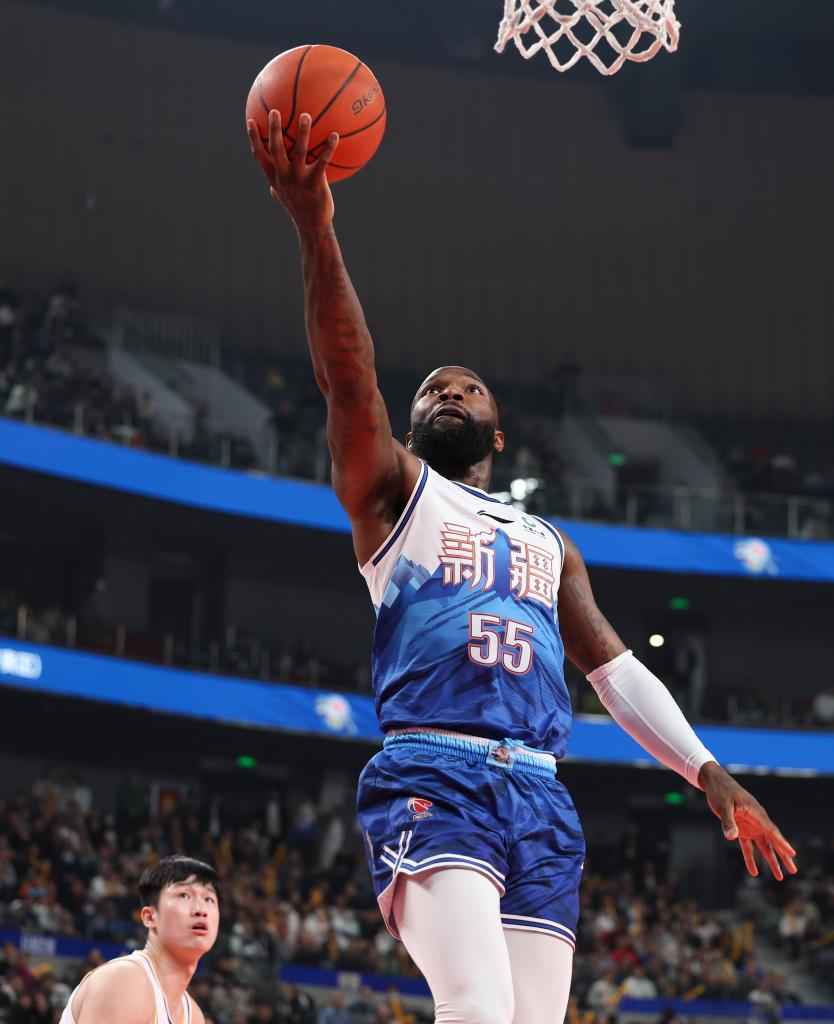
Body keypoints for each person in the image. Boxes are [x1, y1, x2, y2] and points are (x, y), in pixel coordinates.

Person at [246, 111, 797, 1024]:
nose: (449, 391)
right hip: (434, 773)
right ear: (406, 426)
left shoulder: (550, 543)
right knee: (477, 1007)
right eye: (432, 389)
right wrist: (316, 227)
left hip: (539, 790)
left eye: (468, 388)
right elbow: (347, 373)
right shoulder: (392, 491)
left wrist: (710, 772)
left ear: (497, 435)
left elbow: (617, 673)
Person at [58, 855, 219, 1024]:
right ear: (150, 917)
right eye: (184, 895)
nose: (200, 910)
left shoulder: (193, 1015)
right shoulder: (125, 981)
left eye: (208, 899)